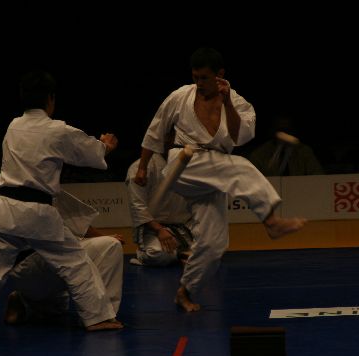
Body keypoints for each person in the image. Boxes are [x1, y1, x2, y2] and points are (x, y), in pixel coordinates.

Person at [0, 71, 123, 345]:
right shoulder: (57, 129)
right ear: (50, 99)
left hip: (3, 209)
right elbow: (91, 153)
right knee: (75, 264)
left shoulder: (12, 126)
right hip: (38, 212)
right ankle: (97, 318)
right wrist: (106, 146)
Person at [134, 48, 307, 312]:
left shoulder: (237, 102)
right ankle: (271, 221)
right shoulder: (180, 96)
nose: (199, 83)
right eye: (195, 77)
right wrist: (143, 167)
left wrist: (227, 104)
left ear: (220, 75)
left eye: (204, 78)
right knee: (241, 168)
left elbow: (238, 137)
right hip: (184, 162)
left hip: (212, 173)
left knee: (213, 244)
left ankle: (184, 291)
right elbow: (155, 131)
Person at [4, 190, 125, 324]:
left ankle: (25, 299)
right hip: (37, 265)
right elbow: (76, 224)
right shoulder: (42, 189)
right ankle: (103, 316)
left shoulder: (6, 197)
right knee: (110, 245)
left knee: (57, 308)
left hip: (23, 273)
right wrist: (105, 237)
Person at [125, 131, 193, 267]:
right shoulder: (139, 168)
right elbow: (137, 205)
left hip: (183, 227)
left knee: (213, 249)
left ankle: (181, 252)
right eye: (169, 136)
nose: (174, 140)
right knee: (159, 254)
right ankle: (144, 254)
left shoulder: (187, 164)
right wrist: (160, 230)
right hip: (154, 230)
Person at [248, 114, 324, 176]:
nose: (284, 134)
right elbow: (251, 179)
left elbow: (318, 176)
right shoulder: (259, 154)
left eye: (287, 130)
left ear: (293, 131)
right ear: (272, 131)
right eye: (281, 130)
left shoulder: (303, 152)